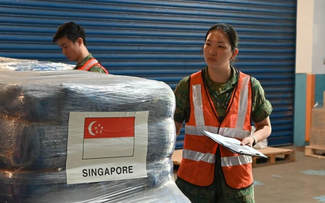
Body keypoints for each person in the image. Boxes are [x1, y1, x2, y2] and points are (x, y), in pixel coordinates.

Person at [174, 23, 272, 203]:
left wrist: (252, 139)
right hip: (194, 183)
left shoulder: (250, 86)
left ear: (234, 53)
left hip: (236, 184)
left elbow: (265, 127)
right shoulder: (187, 86)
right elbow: (172, 128)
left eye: (220, 46)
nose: (212, 51)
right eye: (208, 44)